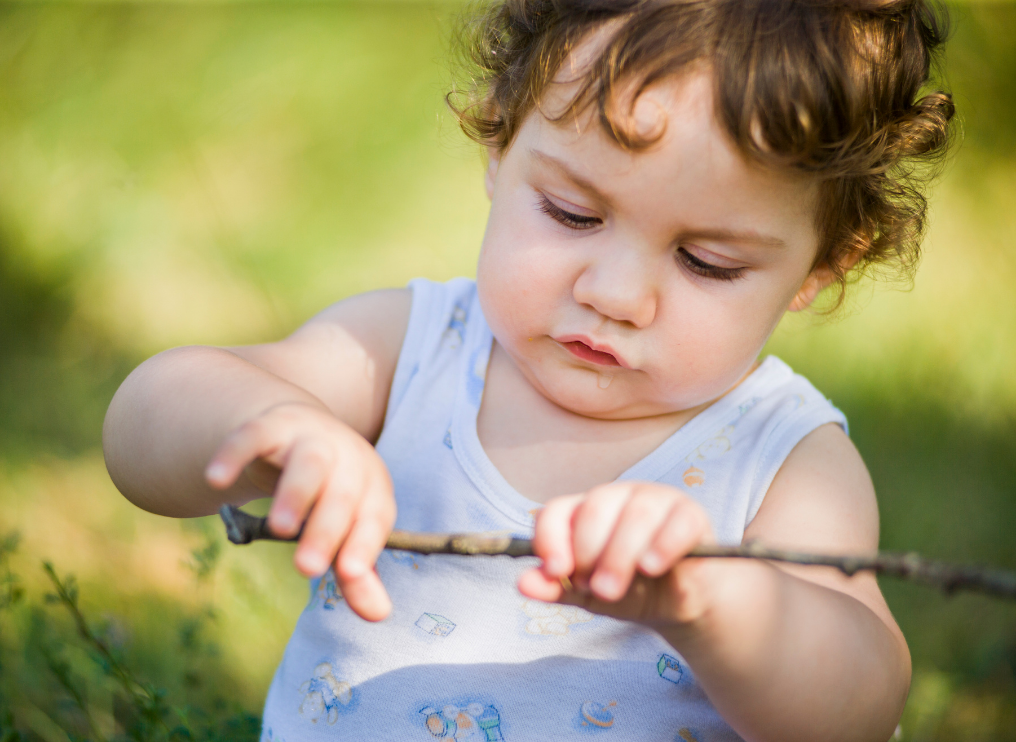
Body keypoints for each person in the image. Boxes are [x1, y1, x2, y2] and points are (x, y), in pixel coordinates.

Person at [102, 1, 954, 739]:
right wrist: (273, 432)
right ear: (501, 138)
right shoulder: (418, 347)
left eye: (707, 262)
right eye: (572, 213)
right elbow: (145, 424)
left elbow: (859, 707)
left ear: (824, 265)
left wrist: (716, 601)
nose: (616, 294)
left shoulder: (785, 459)